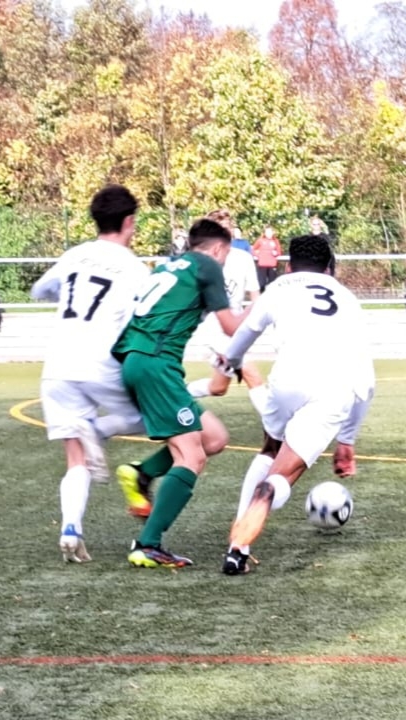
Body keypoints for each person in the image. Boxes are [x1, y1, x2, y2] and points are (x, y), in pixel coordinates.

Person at [218, 234, 375, 575]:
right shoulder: (347, 298)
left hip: (286, 379)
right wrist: (347, 440)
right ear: (329, 269)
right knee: (282, 475)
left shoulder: (278, 287)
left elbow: (245, 332)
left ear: (288, 266)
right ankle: (265, 496)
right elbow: (366, 379)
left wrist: (230, 362)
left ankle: (237, 549)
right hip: (331, 388)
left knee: (270, 448)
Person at [112, 218, 248, 569]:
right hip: (156, 364)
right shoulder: (207, 265)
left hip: (138, 359)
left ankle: (142, 473)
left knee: (214, 438)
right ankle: (147, 544)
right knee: (192, 457)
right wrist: (267, 306)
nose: (224, 262)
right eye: (226, 255)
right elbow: (232, 326)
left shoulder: (170, 265)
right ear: (218, 249)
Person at [31, 184, 150, 563]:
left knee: (75, 459)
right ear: (129, 221)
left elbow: (39, 290)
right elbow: (145, 317)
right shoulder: (135, 268)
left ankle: (71, 528)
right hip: (100, 362)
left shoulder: (74, 255)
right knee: (151, 416)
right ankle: (98, 430)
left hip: (57, 365)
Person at [187, 208, 263, 400]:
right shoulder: (202, 261)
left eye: (228, 227)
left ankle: (178, 395)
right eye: (221, 228)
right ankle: (275, 421)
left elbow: (255, 296)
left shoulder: (243, 258)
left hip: (236, 327)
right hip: (213, 328)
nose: (226, 232)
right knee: (253, 376)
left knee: (218, 387)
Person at [252, 225, 282, 292]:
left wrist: (276, 253)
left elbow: (279, 252)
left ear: (272, 232)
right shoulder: (260, 240)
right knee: (261, 284)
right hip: (262, 265)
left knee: (272, 284)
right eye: (267, 232)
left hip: (272, 265)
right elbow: (253, 249)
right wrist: (258, 254)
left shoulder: (275, 241)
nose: (269, 233)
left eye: (270, 232)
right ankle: (261, 296)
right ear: (265, 233)